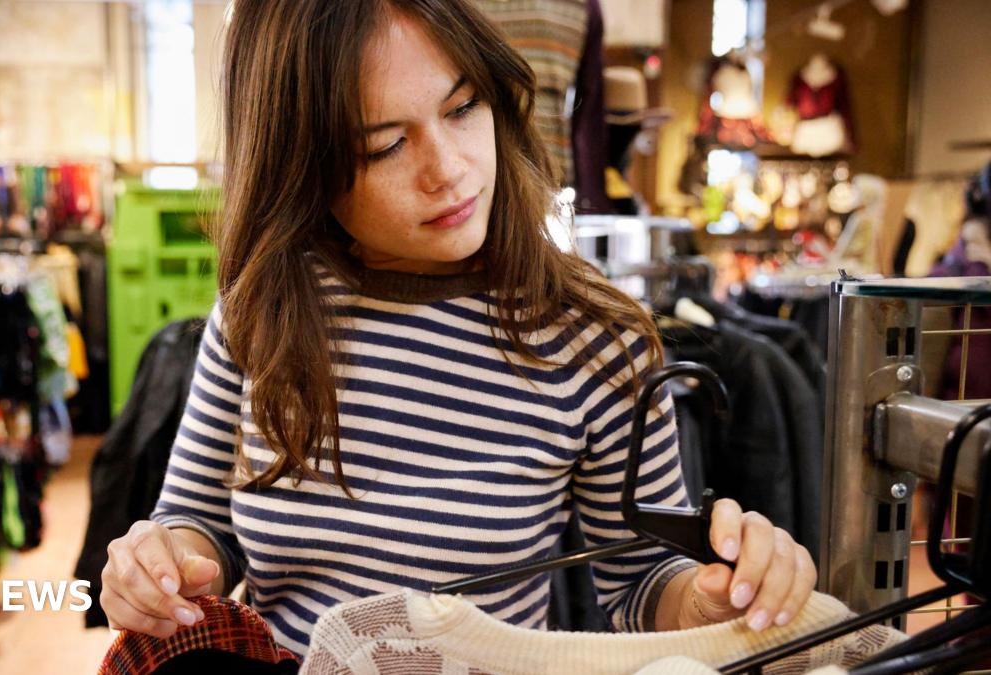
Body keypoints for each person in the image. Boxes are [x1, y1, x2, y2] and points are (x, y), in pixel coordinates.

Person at [100, 0, 817, 657]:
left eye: (463, 107)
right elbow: (199, 521)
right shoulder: (261, 311)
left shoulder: (596, 339)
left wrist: (713, 594)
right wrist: (159, 562)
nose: (449, 169)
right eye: (384, 145)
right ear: (303, 165)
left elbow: (639, 580)